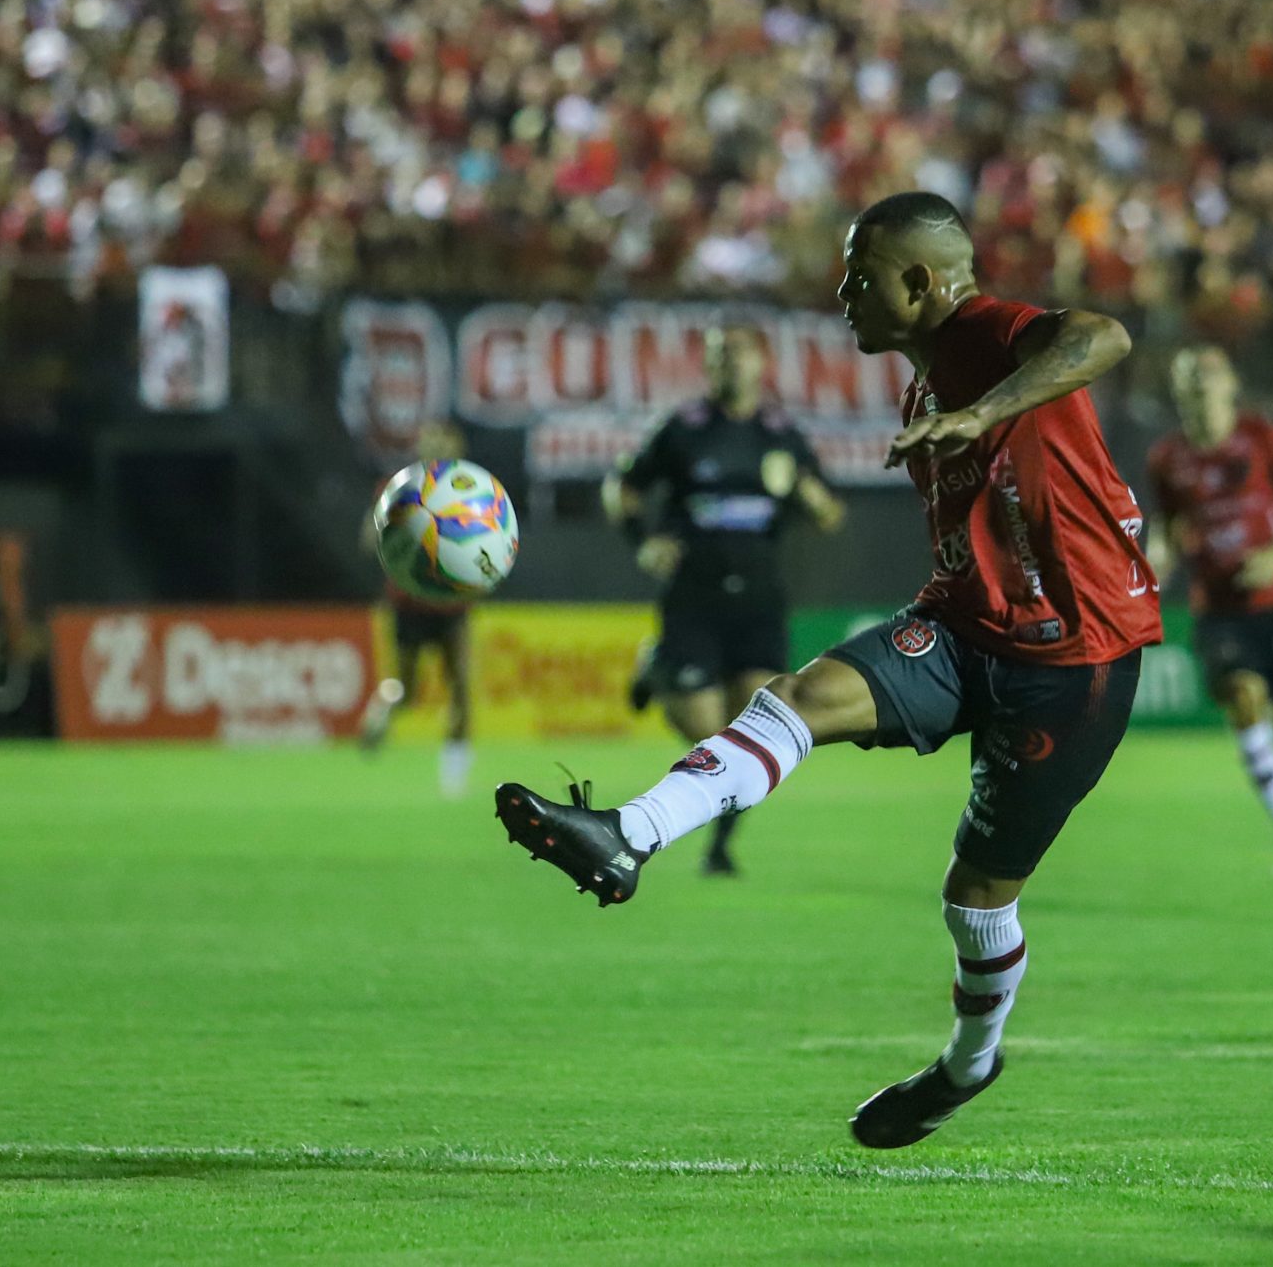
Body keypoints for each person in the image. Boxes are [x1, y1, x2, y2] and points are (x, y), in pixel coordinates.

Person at [496, 193, 1160, 1149]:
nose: (843, 293)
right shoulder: (926, 386)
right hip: (969, 629)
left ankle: (969, 1065)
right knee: (798, 699)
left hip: (1076, 659)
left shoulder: (987, 335)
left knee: (976, 900)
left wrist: (988, 410)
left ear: (922, 283)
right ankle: (627, 833)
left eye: (860, 276)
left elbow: (1102, 335)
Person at [603, 322, 845, 876]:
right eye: (718, 355)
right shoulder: (685, 429)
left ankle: (719, 849)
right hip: (695, 597)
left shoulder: (782, 433)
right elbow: (623, 487)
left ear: (761, 363)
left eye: (737, 352)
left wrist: (802, 489)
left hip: (758, 602)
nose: (728, 364)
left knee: (752, 740)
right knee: (702, 725)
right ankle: (661, 664)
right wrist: (644, 542)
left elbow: (831, 514)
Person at [1145, 346, 1273, 870]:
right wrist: (1157, 556)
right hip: (1220, 609)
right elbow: (1167, 525)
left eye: (1206, 383)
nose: (1197, 396)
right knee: (1243, 695)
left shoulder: (1263, 439)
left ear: (1230, 385)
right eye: (1187, 388)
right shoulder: (1168, 459)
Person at [360, 420, 480, 797]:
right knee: (406, 688)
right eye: (431, 438)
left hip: (453, 605)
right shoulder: (401, 488)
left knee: (460, 688)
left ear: (458, 448)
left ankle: (453, 780)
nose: (439, 446)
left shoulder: (474, 493)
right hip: (409, 602)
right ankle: (384, 707)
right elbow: (368, 539)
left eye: (446, 440)